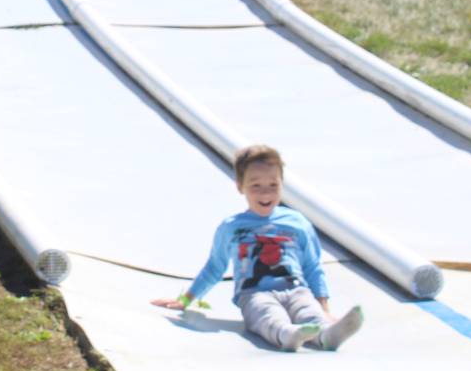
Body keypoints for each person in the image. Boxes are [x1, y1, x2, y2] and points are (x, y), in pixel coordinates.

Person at [151, 145, 363, 352]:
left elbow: (312, 266)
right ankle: (286, 334)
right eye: (256, 186)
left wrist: (324, 309)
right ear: (240, 186)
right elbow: (215, 267)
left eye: (273, 185)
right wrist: (185, 300)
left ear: (282, 184)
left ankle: (327, 334)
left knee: (308, 309)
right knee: (267, 315)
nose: (265, 192)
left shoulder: (297, 222)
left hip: (296, 288)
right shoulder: (232, 227)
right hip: (254, 293)